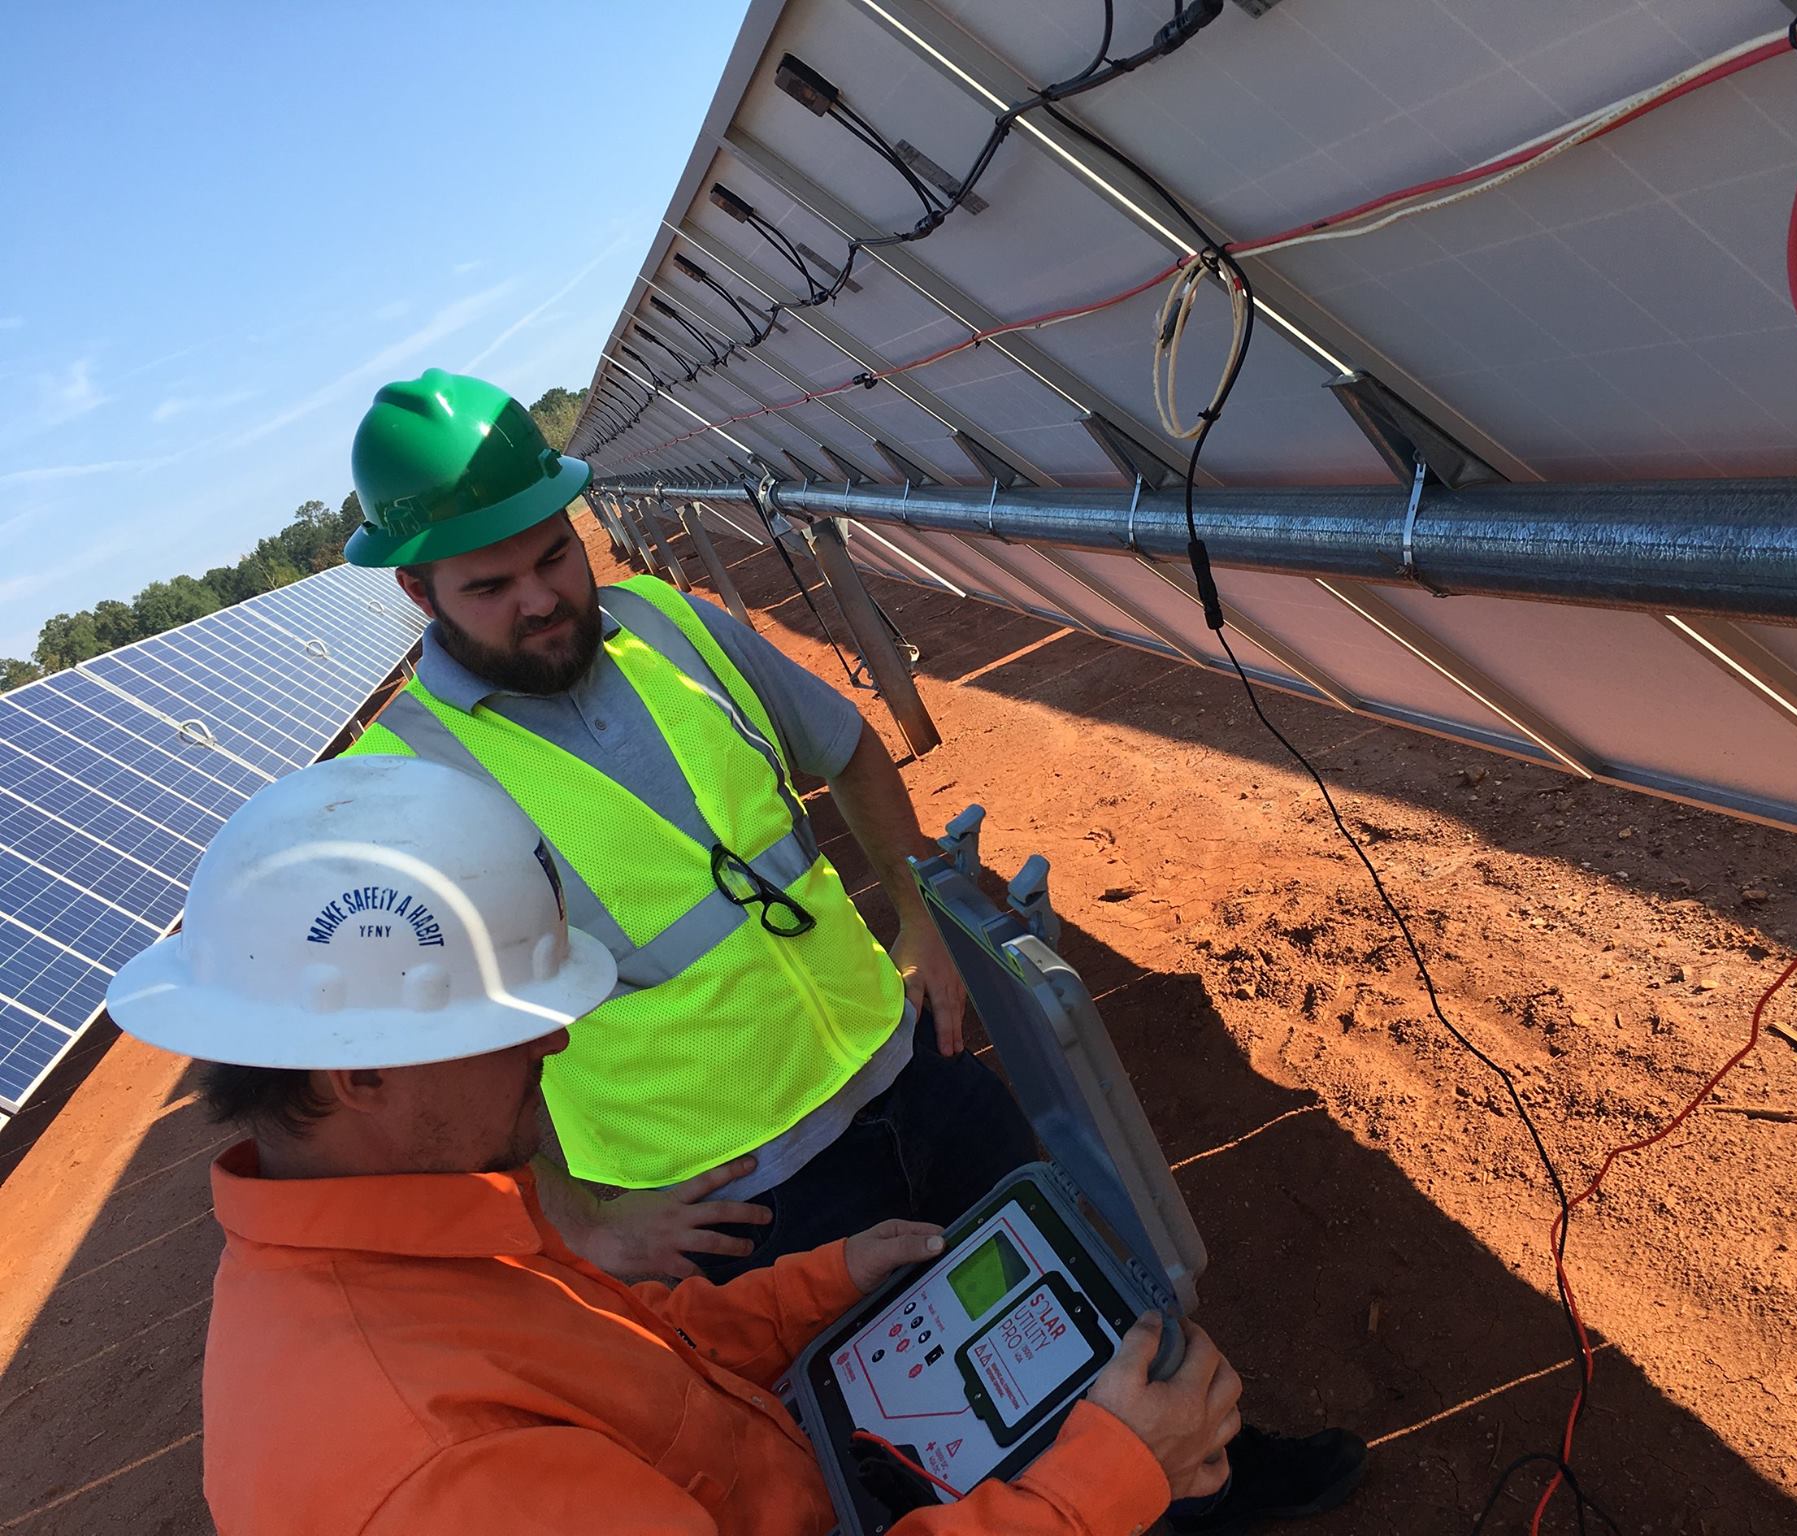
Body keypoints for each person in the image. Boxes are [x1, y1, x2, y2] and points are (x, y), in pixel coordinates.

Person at [338, 371, 1366, 1532]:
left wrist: (920, 921)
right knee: (933, 1432)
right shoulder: (398, 788)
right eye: (491, 585)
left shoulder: (668, 628)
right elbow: (436, 1070)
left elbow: (848, 750)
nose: (542, 599)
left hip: (906, 1066)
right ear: (417, 587)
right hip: (749, 1199)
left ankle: (1211, 1484)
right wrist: (579, 1223)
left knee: (1081, 1294)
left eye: (553, 555)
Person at [105, 756, 1246, 1536]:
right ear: (359, 1076)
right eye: (511, 1024)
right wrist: (1102, 1479)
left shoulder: (406, 1243)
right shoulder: (430, 1470)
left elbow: (629, 1363)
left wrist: (815, 1287)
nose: (556, 1042)